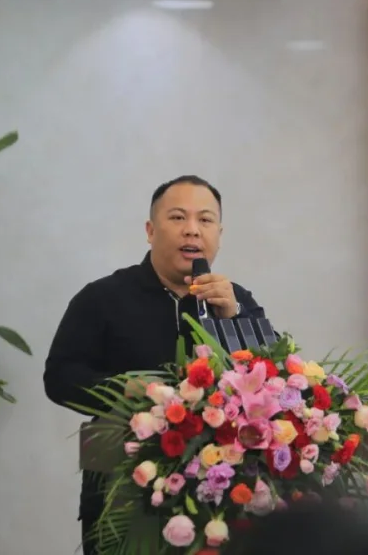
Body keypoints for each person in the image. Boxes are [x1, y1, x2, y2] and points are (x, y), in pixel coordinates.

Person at [43, 175, 270, 555]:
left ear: (219, 234)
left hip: (223, 494)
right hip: (124, 494)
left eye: (205, 220)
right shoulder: (103, 298)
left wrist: (234, 317)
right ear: (150, 231)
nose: (192, 230)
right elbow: (60, 378)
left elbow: (273, 379)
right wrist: (123, 390)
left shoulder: (235, 300)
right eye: (178, 217)